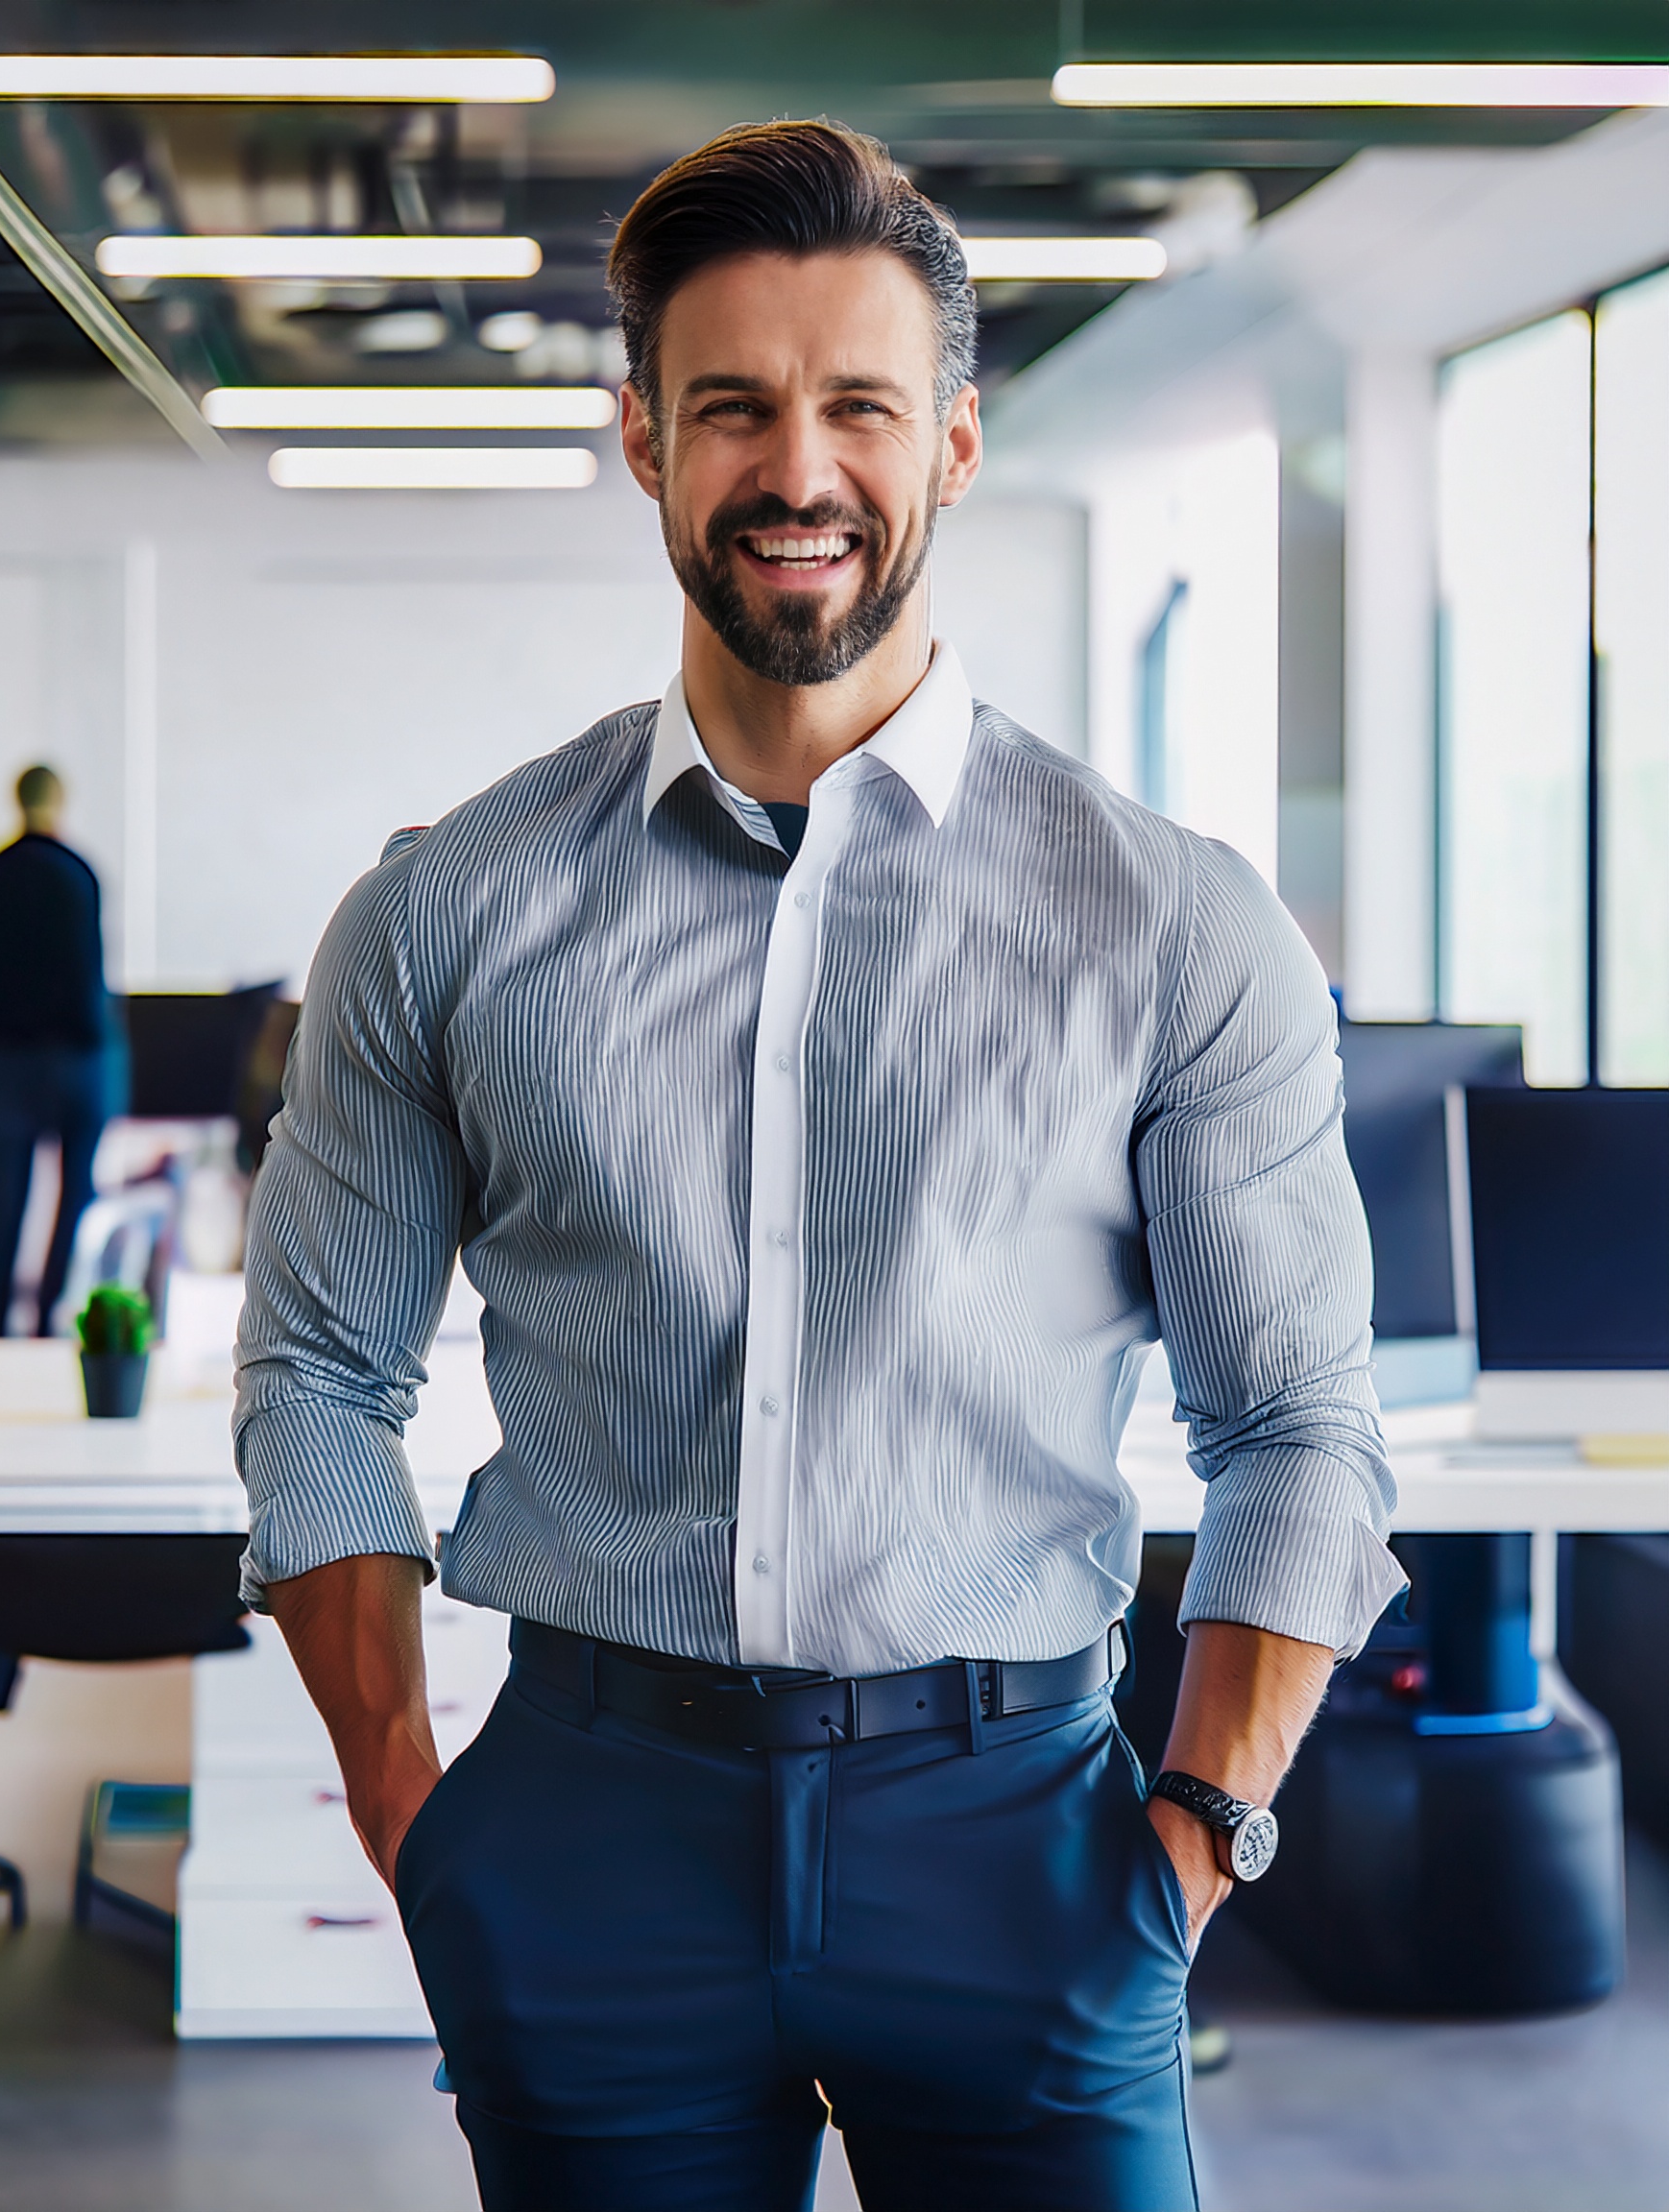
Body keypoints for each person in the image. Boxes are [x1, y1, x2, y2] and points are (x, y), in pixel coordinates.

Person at [236, 122, 1405, 2212]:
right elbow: (321, 1377)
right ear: (642, 442)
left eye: (857, 406)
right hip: (588, 1839)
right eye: (733, 409)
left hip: (1025, 1850)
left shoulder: (1168, 921)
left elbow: (1298, 1426)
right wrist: (412, 1802)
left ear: (949, 445)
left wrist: (1194, 1839)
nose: (799, 469)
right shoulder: (447, 915)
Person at [0, 765, 110, 1338]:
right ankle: (48, 1318)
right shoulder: (80, 874)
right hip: (75, 1063)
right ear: (60, 802)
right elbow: (89, 982)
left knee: (5, 1211)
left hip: (4, 1065)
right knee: (75, 1196)